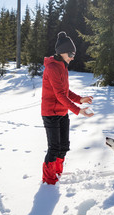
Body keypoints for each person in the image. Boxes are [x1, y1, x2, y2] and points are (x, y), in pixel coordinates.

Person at [41, 31, 94, 185]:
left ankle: (57, 172)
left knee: (64, 146)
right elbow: (59, 95)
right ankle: (48, 180)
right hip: (50, 113)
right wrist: (78, 110)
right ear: (61, 52)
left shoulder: (62, 67)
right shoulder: (52, 68)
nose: (72, 57)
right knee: (54, 147)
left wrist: (80, 99)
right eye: (70, 54)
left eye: (73, 55)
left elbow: (66, 92)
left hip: (62, 112)